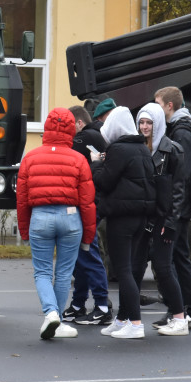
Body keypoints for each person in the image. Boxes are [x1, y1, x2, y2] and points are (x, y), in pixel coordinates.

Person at [17, 107, 95, 339]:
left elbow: (21, 198)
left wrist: (24, 229)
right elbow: (87, 202)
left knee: (42, 272)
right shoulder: (79, 159)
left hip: (40, 217)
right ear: (72, 129)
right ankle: (57, 320)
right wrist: (88, 237)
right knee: (63, 273)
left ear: (46, 128)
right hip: (70, 218)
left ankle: (50, 313)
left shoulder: (30, 157)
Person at [92, 106, 156, 340]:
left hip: (122, 217)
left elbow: (104, 182)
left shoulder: (118, 149)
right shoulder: (141, 148)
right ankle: (122, 320)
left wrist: (96, 162)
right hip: (141, 216)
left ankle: (136, 324)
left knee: (123, 271)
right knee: (130, 267)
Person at [132, 103, 189, 335]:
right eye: (141, 123)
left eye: (149, 123)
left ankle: (179, 317)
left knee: (163, 267)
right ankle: (127, 317)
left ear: (158, 124)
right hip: (144, 217)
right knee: (134, 267)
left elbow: (178, 190)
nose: (145, 127)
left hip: (164, 219)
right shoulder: (136, 147)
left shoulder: (172, 149)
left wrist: (171, 222)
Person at [155, 86, 191, 325]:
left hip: (179, 207)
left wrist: (174, 211)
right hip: (182, 205)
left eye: (158, 105)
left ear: (169, 106)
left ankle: (180, 312)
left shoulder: (182, 132)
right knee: (179, 258)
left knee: (173, 261)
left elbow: (181, 175)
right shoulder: (184, 128)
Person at [63, 105, 113, 327]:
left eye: (69, 126)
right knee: (81, 255)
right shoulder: (99, 134)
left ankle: (101, 305)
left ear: (79, 123)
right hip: (93, 203)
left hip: (88, 204)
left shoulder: (85, 138)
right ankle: (79, 303)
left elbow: (70, 165)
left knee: (87, 253)